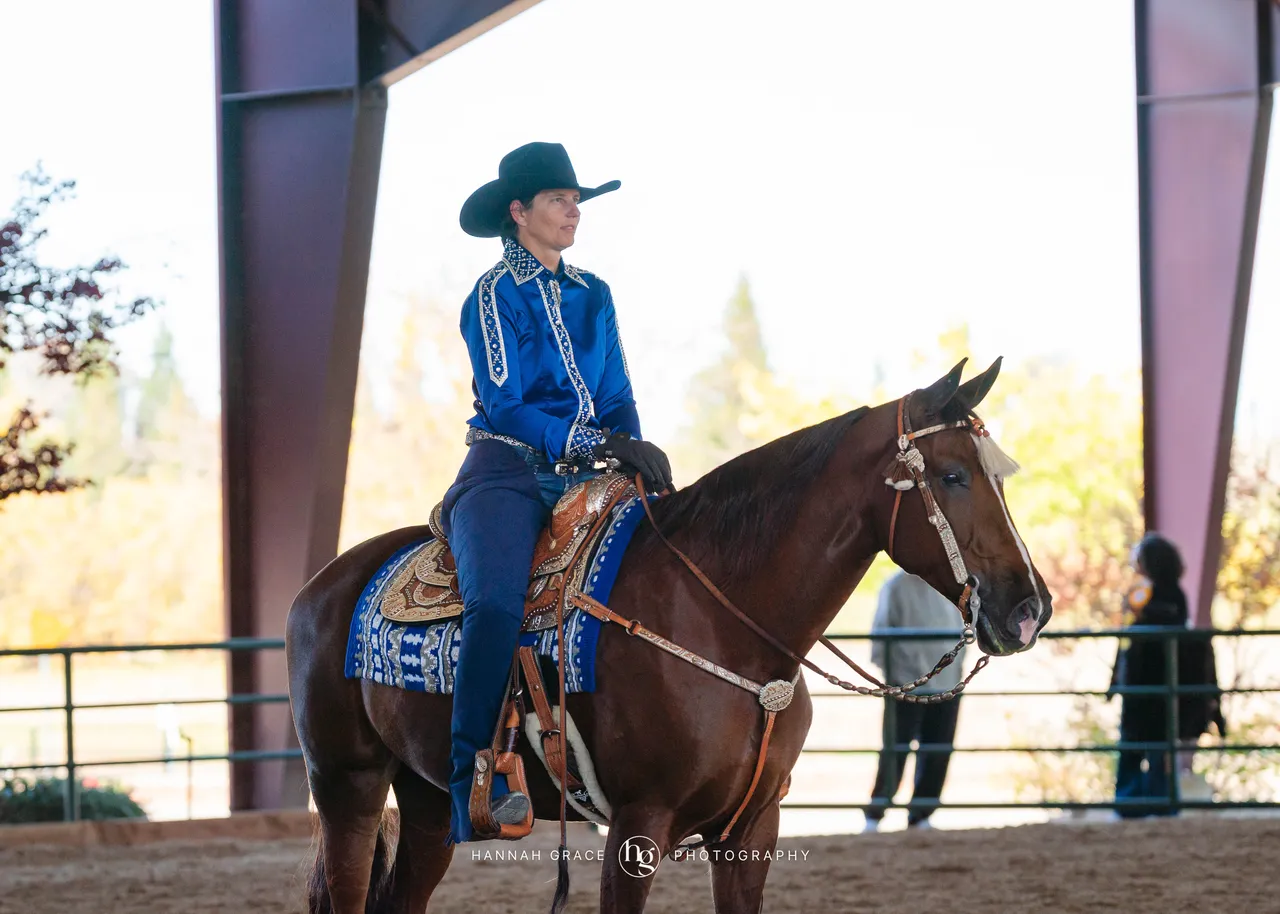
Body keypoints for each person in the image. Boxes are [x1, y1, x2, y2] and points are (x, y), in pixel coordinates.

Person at [441, 142, 675, 844]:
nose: (573, 211)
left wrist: (631, 449)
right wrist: (595, 443)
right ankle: (474, 779)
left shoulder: (593, 293)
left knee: (664, 570)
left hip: (591, 472)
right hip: (506, 472)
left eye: (576, 200)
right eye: (558, 200)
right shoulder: (492, 295)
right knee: (494, 604)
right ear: (519, 212)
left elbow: (616, 391)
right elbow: (505, 405)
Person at [1107, 532, 1226, 818]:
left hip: (1145, 681)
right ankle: (1159, 801)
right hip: (1164, 682)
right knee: (1159, 745)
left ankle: (1132, 802)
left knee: (1136, 743)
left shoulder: (1147, 596)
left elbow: (1136, 634)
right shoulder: (1171, 595)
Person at [864, 571, 967, 832]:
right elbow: (881, 633)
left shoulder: (952, 584)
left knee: (937, 750)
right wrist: (894, 676)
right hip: (906, 683)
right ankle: (877, 811)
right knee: (896, 748)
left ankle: (921, 813)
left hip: (946, 682)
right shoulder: (895, 586)